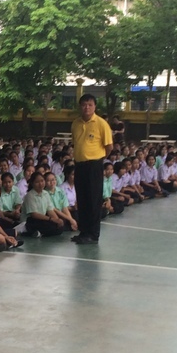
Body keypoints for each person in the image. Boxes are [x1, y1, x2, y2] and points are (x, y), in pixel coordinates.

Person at [70, 94, 113, 244]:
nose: (86, 108)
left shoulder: (101, 124)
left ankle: (93, 234)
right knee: (82, 199)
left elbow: (109, 147)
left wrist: (98, 159)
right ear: (80, 106)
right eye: (83, 105)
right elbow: (76, 143)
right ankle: (84, 232)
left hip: (94, 165)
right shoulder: (75, 123)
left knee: (93, 199)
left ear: (95, 106)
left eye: (90, 105)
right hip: (79, 165)